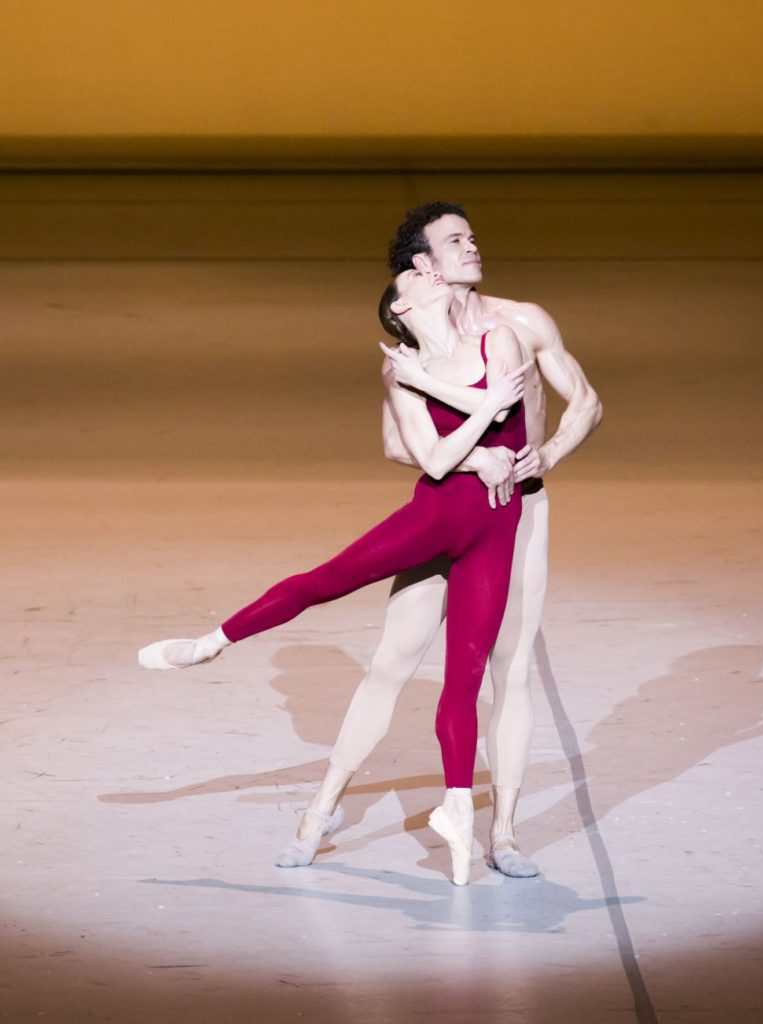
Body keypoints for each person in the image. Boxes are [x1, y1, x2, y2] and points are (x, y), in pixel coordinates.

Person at [139, 268, 528, 885]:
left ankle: (459, 811)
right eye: (418, 274)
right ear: (402, 307)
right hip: (432, 520)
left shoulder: (495, 340)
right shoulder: (399, 372)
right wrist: (481, 432)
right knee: (324, 583)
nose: (432, 274)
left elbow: (512, 411)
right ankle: (210, 644)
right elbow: (431, 456)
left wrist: (437, 389)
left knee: (466, 676)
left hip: (495, 530)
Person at [283, 202, 603, 878]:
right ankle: (321, 808)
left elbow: (587, 403)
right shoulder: (412, 349)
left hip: (520, 513)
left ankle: (505, 835)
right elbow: (400, 445)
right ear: (421, 266)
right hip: (447, 512)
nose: (471, 245)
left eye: (472, 235)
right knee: (392, 660)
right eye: (454, 240)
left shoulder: (523, 321)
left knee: (508, 673)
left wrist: (547, 455)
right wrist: (466, 458)